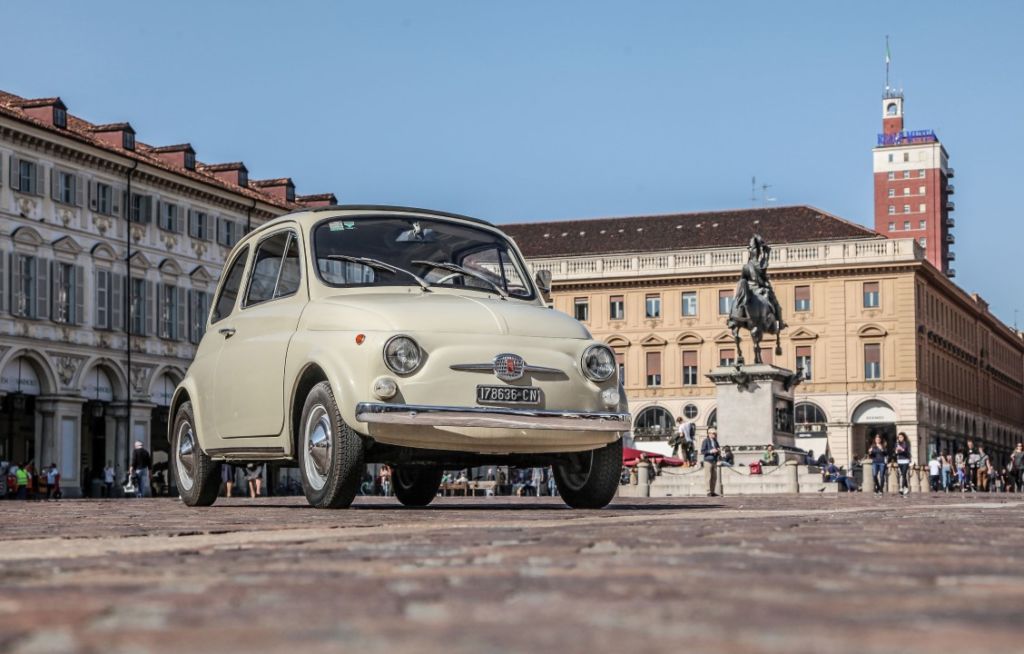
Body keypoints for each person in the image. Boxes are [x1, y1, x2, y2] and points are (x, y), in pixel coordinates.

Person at [701, 429, 722, 497]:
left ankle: (712, 491)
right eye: (713, 433)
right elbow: (703, 451)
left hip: (714, 460)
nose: (714, 435)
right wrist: (710, 451)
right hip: (708, 460)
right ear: (709, 434)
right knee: (708, 477)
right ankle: (708, 491)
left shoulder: (715, 441)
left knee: (714, 477)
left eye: (715, 433)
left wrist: (718, 450)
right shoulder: (705, 441)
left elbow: (718, 448)